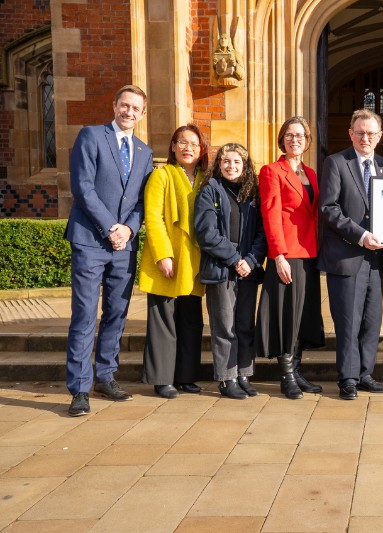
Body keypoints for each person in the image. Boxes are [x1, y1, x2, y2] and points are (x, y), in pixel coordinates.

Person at [64, 85, 153, 416]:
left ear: (142, 115)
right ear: (115, 105)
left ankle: (105, 376)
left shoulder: (144, 152)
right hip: (90, 240)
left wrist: (128, 229)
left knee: (116, 313)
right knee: (85, 315)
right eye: (124, 105)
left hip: (123, 246)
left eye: (135, 108)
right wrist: (111, 227)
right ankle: (80, 388)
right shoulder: (92, 136)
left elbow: (144, 199)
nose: (128, 111)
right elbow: (83, 188)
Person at [318, 109, 383, 400]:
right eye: (360, 132)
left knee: (372, 319)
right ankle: (347, 378)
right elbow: (328, 208)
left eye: (371, 133)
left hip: (375, 259)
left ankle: (365, 374)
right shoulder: (336, 163)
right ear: (351, 133)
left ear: (379, 136)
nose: (366, 137)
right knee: (348, 320)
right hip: (347, 255)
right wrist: (361, 235)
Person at [257, 116, 325, 399]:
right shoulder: (272, 170)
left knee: (303, 316)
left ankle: (297, 370)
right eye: (289, 135)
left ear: (307, 140)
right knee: (286, 315)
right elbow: (270, 214)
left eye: (300, 135)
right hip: (287, 254)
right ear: (282, 139)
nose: (294, 139)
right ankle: (285, 375)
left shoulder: (311, 173)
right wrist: (278, 255)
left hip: (310, 253)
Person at [139, 124, 207, 399]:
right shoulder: (162, 175)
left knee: (191, 320)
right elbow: (153, 218)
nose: (188, 148)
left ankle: (186, 375)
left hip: (194, 260)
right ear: (173, 147)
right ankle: (162, 378)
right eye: (182, 142)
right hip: (167, 259)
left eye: (194, 143)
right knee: (163, 319)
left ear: (202, 149)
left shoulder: (206, 179)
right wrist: (163, 255)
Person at [194, 143, 267, 399]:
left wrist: (251, 259)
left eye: (237, 162)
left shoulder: (253, 194)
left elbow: (262, 233)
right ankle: (226, 378)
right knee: (225, 325)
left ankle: (244, 374)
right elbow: (206, 234)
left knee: (245, 324)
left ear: (245, 166)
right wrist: (236, 259)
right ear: (219, 164)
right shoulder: (210, 191)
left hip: (248, 266)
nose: (231, 166)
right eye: (226, 161)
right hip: (222, 267)